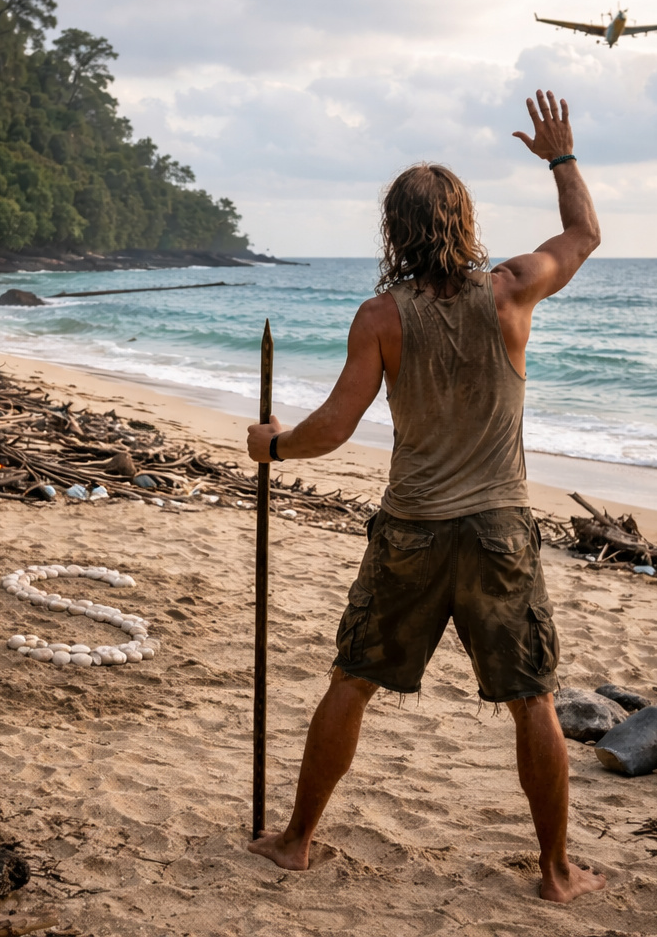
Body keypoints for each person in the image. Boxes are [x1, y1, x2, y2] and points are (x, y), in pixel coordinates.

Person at [244, 89, 605, 904]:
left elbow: (336, 425)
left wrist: (276, 446)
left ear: (394, 234)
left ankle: (297, 842)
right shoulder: (511, 290)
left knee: (353, 678)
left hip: (410, 532)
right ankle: (555, 874)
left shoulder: (381, 315)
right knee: (531, 699)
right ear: (465, 223)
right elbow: (584, 234)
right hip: (498, 535)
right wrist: (560, 157)